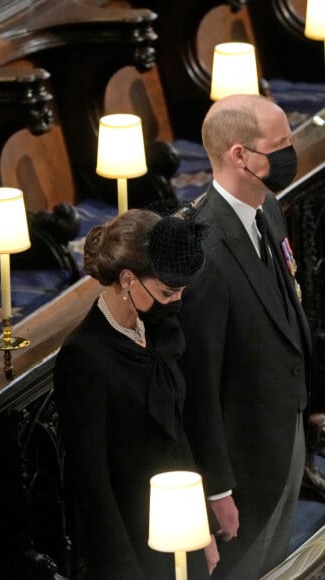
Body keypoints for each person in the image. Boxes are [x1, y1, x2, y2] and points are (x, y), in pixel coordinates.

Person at [178, 94, 312, 579]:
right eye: (279, 145)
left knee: (279, 561)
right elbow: (198, 383)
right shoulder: (204, 250)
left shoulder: (268, 207)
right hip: (244, 455)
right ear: (240, 155)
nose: (289, 152)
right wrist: (217, 488)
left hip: (285, 423)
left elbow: (286, 303)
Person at [53, 208, 212, 579]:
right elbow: (92, 486)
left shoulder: (157, 326)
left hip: (180, 527)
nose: (176, 302)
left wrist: (201, 528)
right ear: (127, 279)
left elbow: (177, 432)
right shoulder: (83, 357)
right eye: (167, 292)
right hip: (132, 544)